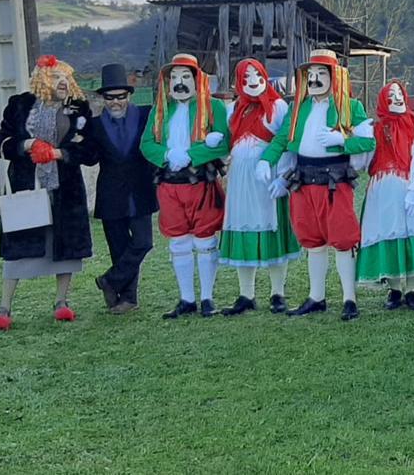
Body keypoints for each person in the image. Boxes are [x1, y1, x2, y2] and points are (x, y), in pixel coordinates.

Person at [259, 49, 375, 320]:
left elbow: (369, 142)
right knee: (312, 240)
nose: (314, 79)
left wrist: (342, 141)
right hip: (304, 181)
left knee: (343, 239)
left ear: (334, 77)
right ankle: (317, 296)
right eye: (310, 74)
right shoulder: (298, 109)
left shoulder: (351, 107)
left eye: (321, 73)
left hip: (334, 182)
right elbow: (281, 140)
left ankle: (349, 299)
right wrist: (266, 160)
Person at [0, 55, 97, 330]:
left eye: (66, 78)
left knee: (64, 245)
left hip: (65, 189)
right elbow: (1, 143)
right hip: (27, 184)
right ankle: (5, 307)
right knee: (19, 242)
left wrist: (59, 153)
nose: (63, 82)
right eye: (56, 77)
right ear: (41, 80)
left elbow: (89, 150)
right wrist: (27, 145)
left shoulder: (78, 109)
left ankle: (61, 301)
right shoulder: (19, 105)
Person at [139, 52, 230, 319]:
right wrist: (167, 155)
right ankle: (186, 298)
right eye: (174, 78)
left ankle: (207, 298)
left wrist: (192, 154)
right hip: (169, 185)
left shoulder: (214, 107)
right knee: (178, 241)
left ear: (196, 79)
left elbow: (224, 143)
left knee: (205, 240)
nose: (179, 83)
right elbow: (146, 144)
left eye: (185, 77)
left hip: (201, 183)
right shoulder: (159, 111)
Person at [217, 58, 301, 316]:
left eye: (257, 74)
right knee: (243, 226)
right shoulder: (233, 109)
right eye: (246, 76)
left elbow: (287, 142)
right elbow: (226, 143)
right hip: (241, 179)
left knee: (271, 226)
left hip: (268, 178)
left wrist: (284, 178)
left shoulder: (278, 107)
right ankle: (246, 294)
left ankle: (278, 293)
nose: (252, 80)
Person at [357, 80, 414, 308]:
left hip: (408, 189)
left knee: (412, 234)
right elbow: (361, 160)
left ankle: (412, 289)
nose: (397, 98)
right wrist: (352, 137)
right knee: (387, 233)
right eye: (392, 94)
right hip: (381, 192)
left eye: (400, 93)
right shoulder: (373, 130)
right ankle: (395, 289)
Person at [88, 62, 156, 315]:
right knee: (118, 248)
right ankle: (125, 298)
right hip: (111, 194)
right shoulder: (94, 126)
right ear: (103, 98)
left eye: (120, 97)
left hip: (140, 191)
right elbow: (89, 157)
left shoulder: (145, 116)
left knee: (143, 242)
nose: (115, 102)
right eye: (109, 98)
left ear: (129, 95)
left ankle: (110, 280)